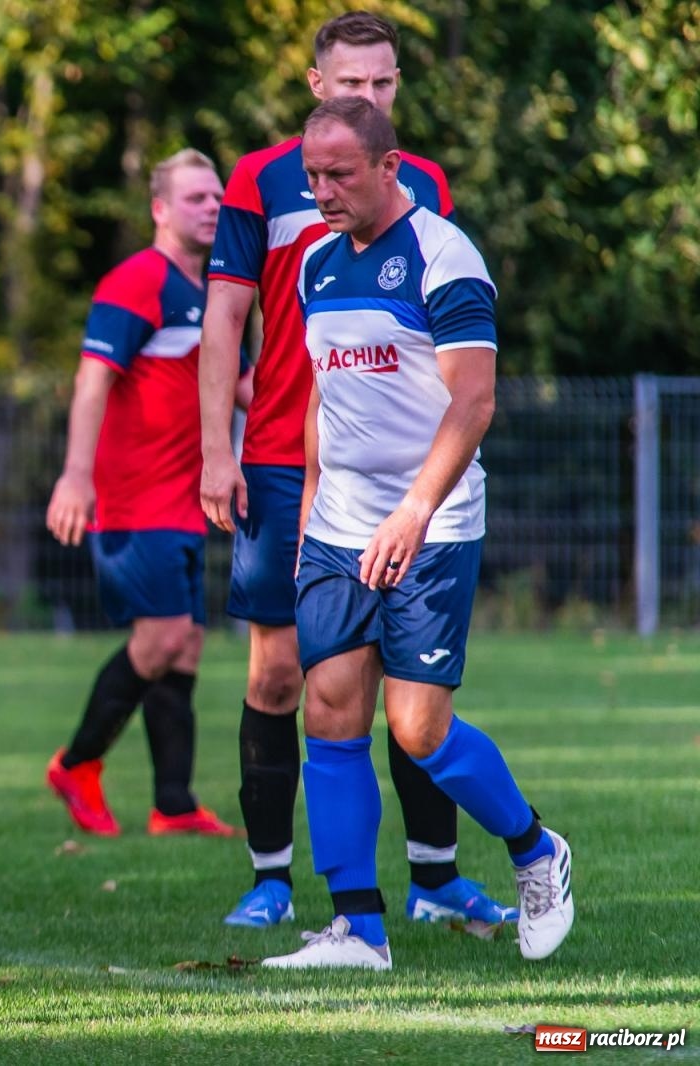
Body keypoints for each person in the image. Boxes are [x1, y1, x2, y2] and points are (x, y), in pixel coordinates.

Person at [198, 10, 515, 931]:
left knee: (411, 699)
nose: (368, 94)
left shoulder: (423, 189)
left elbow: (444, 348)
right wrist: (218, 447)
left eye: (382, 83)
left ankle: (435, 876)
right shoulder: (262, 179)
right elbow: (225, 317)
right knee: (282, 677)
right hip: (284, 456)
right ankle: (273, 879)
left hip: (401, 476)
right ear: (316, 85)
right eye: (351, 83)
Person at [261, 97, 573, 970]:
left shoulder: (445, 257)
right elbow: (324, 398)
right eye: (312, 177)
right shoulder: (314, 264)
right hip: (337, 526)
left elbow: (474, 402)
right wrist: (310, 510)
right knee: (329, 708)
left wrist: (414, 510)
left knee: (417, 729)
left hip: (431, 525)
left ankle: (535, 850)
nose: (322, 192)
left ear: (389, 167)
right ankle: (358, 930)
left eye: (339, 175)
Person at [44, 150, 251, 839]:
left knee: (186, 644)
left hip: (186, 503)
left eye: (217, 196)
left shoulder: (212, 290)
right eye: (195, 197)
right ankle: (77, 764)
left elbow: (244, 386)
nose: (212, 207)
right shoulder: (137, 280)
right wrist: (76, 475)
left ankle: (175, 804)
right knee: (161, 638)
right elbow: (92, 380)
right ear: (160, 210)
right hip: (134, 503)